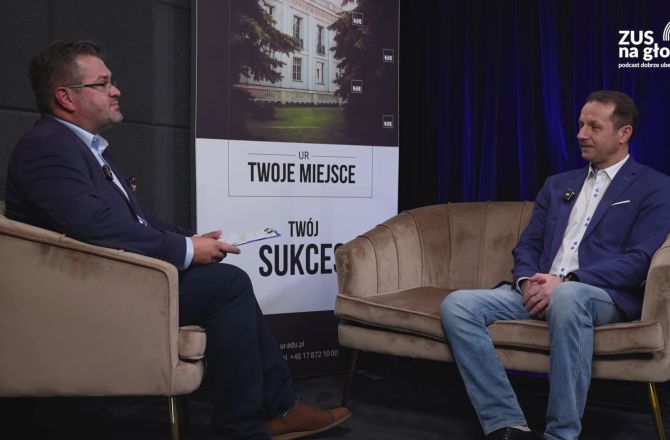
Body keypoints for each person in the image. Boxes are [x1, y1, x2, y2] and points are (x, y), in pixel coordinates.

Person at [5, 40, 350, 440]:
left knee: (227, 283)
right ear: (66, 97)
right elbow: (95, 227)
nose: (116, 90)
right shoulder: (46, 149)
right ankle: (251, 424)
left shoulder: (84, 147)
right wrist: (186, 251)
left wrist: (192, 240)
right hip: (89, 296)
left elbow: (135, 218)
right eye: (103, 83)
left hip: (120, 279)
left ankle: (275, 410)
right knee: (228, 284)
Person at [440, 91, 670, 440]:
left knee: (567, 296)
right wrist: (526, 283)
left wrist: (567, 281)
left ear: (624, 134)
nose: (581, 134)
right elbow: (529, 245)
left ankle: (561, 434)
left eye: (594, 126)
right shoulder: (558, 184)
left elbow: (638, 261)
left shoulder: (655, 187)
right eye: (580, 125)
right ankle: (506, 423)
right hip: (543, 287)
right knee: (457, 305)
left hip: (600, 296)